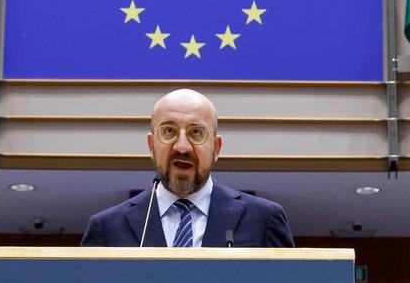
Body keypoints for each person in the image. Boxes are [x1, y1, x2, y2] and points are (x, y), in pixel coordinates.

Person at [81, 89, 295, 247]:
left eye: (197, 133)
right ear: (151, 145)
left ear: (217, 148)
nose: (182, 147)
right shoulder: (107, 227)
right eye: (168, 131)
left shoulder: (263, 219)